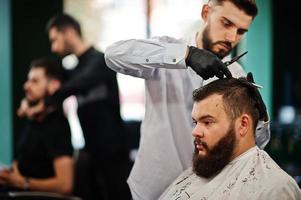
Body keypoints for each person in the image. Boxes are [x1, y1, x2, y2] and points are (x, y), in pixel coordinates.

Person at [105, 0, 270, 199]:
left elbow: (252, 147)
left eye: (241, 31)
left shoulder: (237, 75)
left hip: (204, 191)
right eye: (226, 23)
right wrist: (186, 55)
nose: (231, 37)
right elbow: (113, 55)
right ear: (206, 13)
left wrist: (260, 120)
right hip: (152, 188)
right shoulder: (168, 50)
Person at [23, 14, 131, 200]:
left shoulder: (100, 61)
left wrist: (46, 103)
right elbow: (50, 82)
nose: (53, 47)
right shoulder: (73, 70)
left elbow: (77, 84)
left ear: (69, 32)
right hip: (90, 152)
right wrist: (29, 101)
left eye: (55, 39)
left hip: (113, 154)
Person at [159, 76, 301, 200]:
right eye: (195, 122)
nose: (195, 132)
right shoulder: (203, 167)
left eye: (207, 122)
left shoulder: (276, 188)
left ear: (243, 125)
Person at [0, 58, 74, 195]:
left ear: (53, 85)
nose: (26, 86)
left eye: (35, 81)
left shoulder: (57, 125)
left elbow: (65, 185)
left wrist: (22, 182)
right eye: (28, 81)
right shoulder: (34, 121)